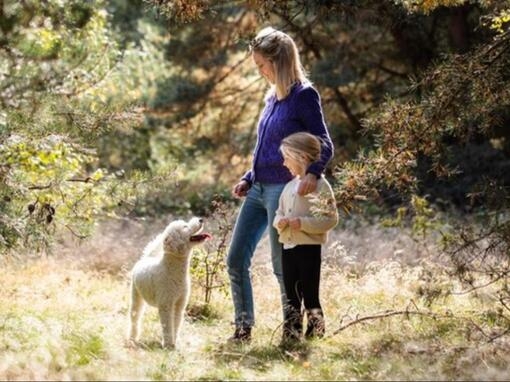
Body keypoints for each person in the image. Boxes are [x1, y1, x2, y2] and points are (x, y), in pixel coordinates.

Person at [225, 26, 334, 343]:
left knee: (281, 265)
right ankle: (243, 328)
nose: (259, 72)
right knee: (235, 260)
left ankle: (292, 330)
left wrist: (313, 172)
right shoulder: (273, 98)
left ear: (280, 61)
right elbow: (266, 147)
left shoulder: (304, 96)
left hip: (284, 192)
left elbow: (324, 142)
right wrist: (248, 177)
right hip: (258, 189)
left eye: (262, 65)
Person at [273, 132, 339, 345]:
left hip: (308, 249)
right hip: (288, 247)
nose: (284, 163)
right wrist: (280, 222)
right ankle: (291, 336)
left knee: (310, 293)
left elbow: (330, 219)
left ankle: (316, 335)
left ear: (301, 157)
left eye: (286, 157)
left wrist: (302, 223)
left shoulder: (320, 186)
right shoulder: (289, 186)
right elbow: (278, 213)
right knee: (291, 294)